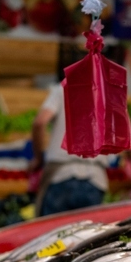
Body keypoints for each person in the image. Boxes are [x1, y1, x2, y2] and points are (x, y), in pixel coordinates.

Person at [30, 82, 116, 216]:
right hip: (95, 180)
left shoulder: (63, 89)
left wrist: (38, 158)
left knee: (53, 234)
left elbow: (39, 122)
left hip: (61, 176)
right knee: (87, 235)